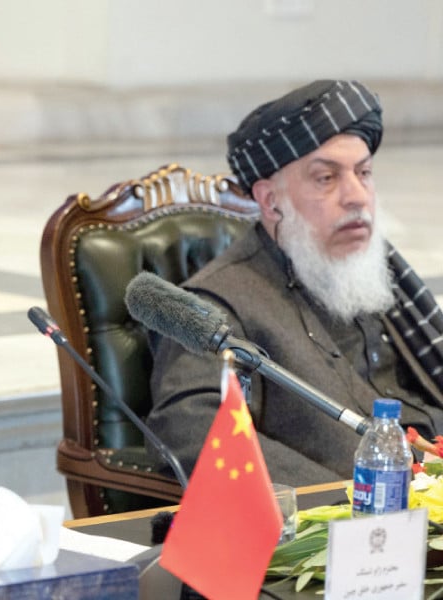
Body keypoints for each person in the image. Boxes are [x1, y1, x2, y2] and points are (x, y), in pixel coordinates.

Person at [147, 80, 443, 486]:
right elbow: (193, 433)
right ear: (270, 201)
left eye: (364, 173)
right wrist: (347, 498)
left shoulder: (378, 279)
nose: (357, 196)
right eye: (326, 178)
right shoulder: (220, 304)